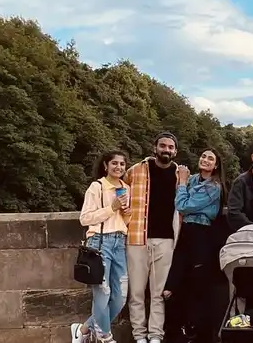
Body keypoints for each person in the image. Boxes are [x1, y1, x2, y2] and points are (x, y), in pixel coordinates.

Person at [162, 148, 226, 343]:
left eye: (211, 159)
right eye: (204, 156)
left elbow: (183, 206)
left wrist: (181, 183)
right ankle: (178, 331)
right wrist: (183, 184)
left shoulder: (214, 186)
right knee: (176, 284)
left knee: (199, 284)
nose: (205, 160)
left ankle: (200, 333)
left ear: (216, 165)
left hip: (202, 234)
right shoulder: (192, 180)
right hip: (185, 233)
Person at [125, 132, 182, 343]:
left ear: (175, 151)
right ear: (155, 147)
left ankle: (156, 336)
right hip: (137, 238)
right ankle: (139, 336)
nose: (166, 150)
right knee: (137, 292)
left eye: (170, 147)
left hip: (167, 241)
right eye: (163, 146)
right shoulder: (136, 170)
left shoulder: (180, 174)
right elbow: (120, 192)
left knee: (159, 294)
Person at [71, 150, 133, 343]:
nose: (119, 167)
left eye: (122, 164)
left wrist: (126, 213)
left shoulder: (125, 187)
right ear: (105, 165)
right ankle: (105, 338)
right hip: (99, 242)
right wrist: (111, 208)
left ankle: (83, 329)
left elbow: (124, 221)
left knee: (120, 297)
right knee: (103, 293)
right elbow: (85, 218)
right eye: (114, 163)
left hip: (119, 242)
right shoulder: (97, 187)